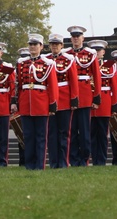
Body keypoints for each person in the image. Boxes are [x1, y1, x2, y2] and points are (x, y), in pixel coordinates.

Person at [13, 33, 57, 170]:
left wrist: (52, 104)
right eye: (30, 44)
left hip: (41, 103)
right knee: (28, 136)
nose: (32, 47)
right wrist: (16, 101)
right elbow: (18, 85)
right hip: (26, 102)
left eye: (35, 45)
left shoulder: (48, 64)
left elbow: (53, 86)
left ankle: (39, 164)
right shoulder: (21, 63)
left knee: (40, 136)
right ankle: (29, 164)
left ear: (41, 46)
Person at [67, 25, 100, 166]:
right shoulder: (66, 54)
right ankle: (73, 159)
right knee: (72, 130)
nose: (76, 38)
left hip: (85, 94)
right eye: (73, 36)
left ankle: (84, 158)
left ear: (83, 38)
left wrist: (96, 96)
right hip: (69, 95)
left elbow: (97, 77)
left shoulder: (90, 54)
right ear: (71, 38)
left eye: (78, 36)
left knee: (85, 130)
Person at [45, 32, 78, 168]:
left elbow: (74, 80)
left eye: (57, 44)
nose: (54, 47)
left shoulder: (68, 59)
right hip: (49, 100)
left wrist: (74, 99)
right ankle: (53, 162)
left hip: (64, 99)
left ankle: (64, 161)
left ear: (62, 45)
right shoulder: (45, 60)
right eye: (52, 44)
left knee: (64, 133)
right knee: (52, 133)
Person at [88, 40, 117, 166]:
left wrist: (114, 105)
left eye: (98, 50)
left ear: (103, 52)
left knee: (102, 133)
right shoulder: (85, 65)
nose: (96, 53)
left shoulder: (110, 65)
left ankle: (101, 160)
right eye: (94, 51)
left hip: (105, 102)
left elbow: (115, 86)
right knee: (91, 133)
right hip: (89, 102)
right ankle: (94, 159)